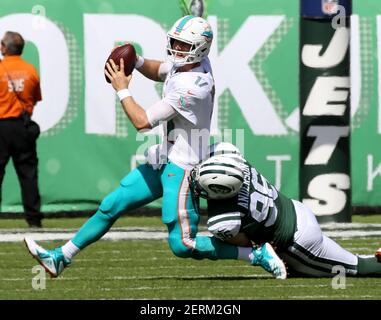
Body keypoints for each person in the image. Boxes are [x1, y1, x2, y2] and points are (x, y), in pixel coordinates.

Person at [24, 16, 286, 279]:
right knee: (111, 205)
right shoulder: (190, 64)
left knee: (182, 245)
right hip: (165, 157)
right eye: (175, 42)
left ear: (199, 49)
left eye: (182, 45)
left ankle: (256, 254)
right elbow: (160, 69)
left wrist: (122, 89)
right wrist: (136, 61)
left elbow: (142, 122)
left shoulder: (192, 87)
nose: (175, 49)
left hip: (184, 167)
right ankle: (61, 257)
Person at [190, 143, 381, 277]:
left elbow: (248, 246)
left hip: (297, 243)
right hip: (295, 210)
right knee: (314, 272)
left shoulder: (224, 221)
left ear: (220, 190)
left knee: (359, 267)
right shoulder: (229, 153)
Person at [0, 31, 42, 228]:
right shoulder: (30, 70)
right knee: (28, 174)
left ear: (5, 48)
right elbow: (34, 98)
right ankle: (34, 220)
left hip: (1, 126)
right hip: (22, 126)